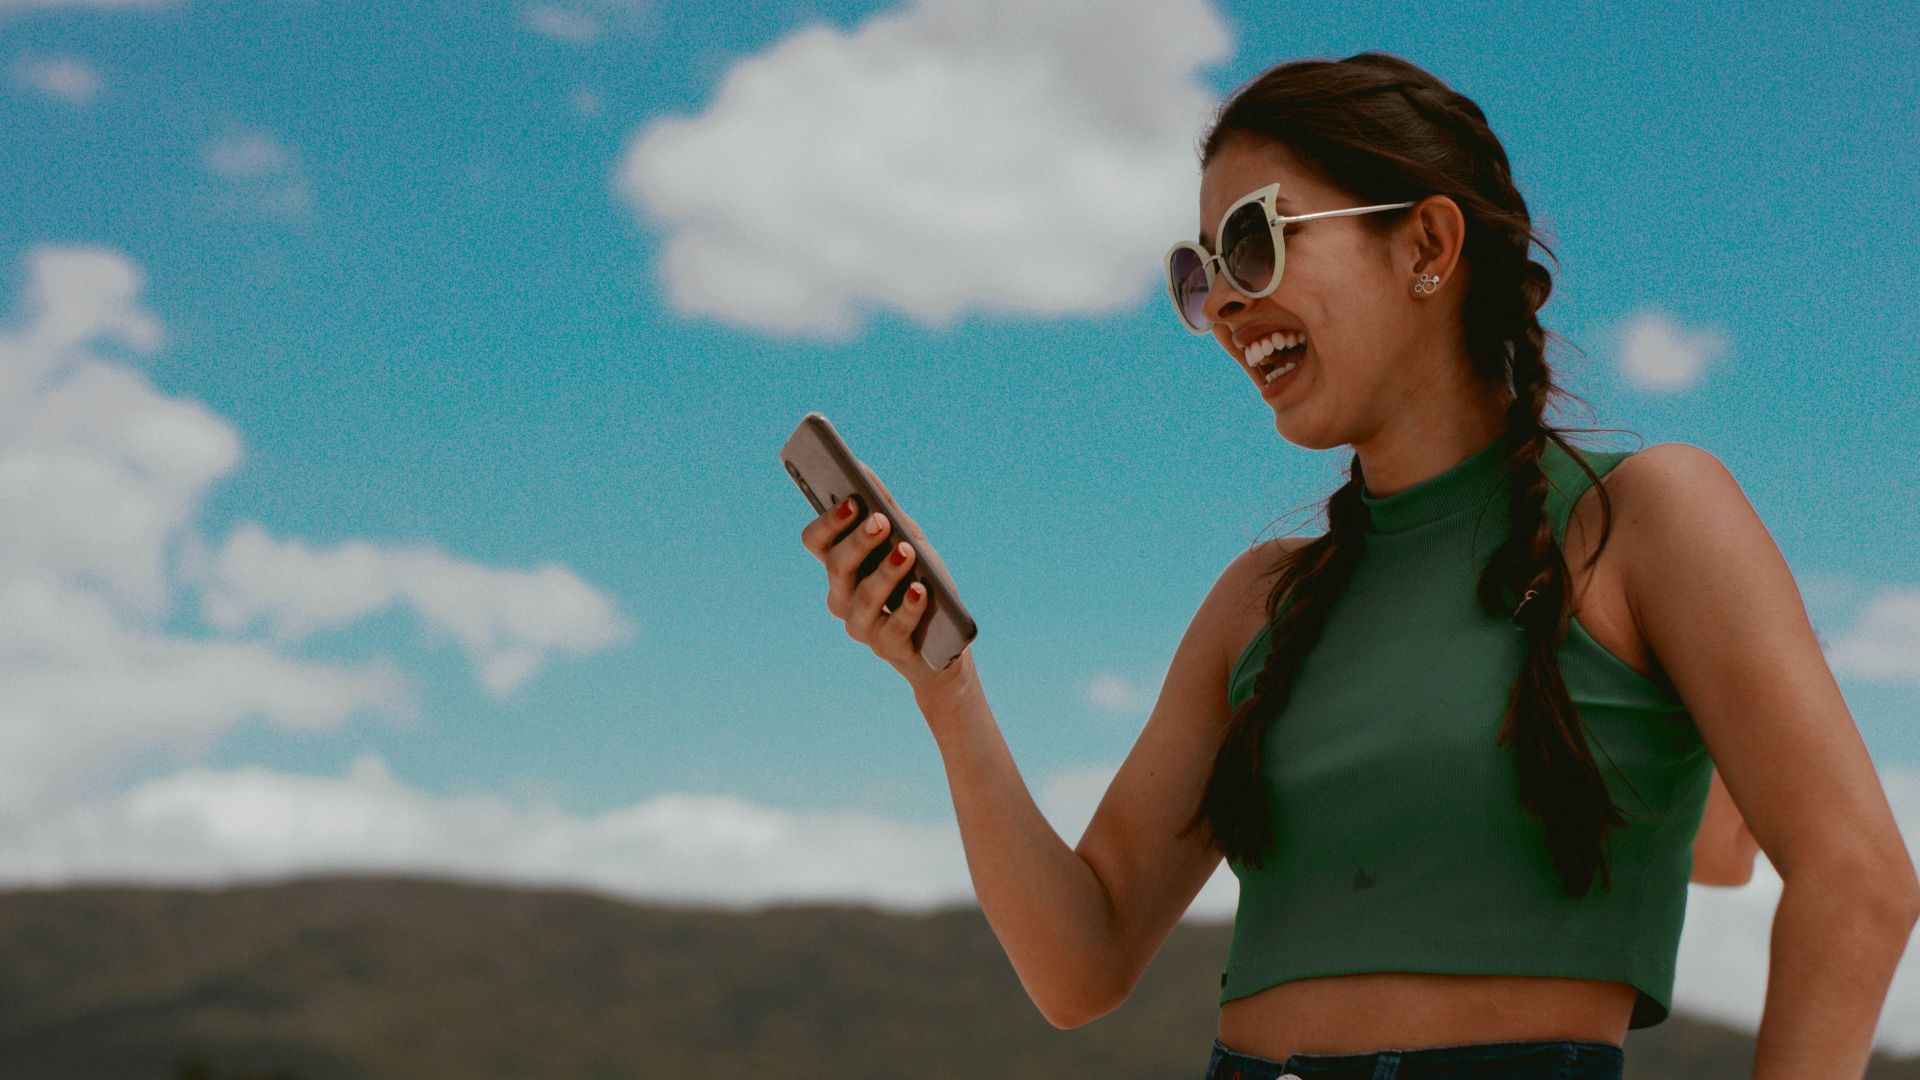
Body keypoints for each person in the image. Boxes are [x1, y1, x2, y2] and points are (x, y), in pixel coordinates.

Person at [798, 50, 1884, 1080]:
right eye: (1199, 273)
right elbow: (1080, 962)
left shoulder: (1644, 519)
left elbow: (1857, 879)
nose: (1222, 302)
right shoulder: (1261, 603)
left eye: (1254, 244)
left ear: (1426, 247)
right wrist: (944, 685)